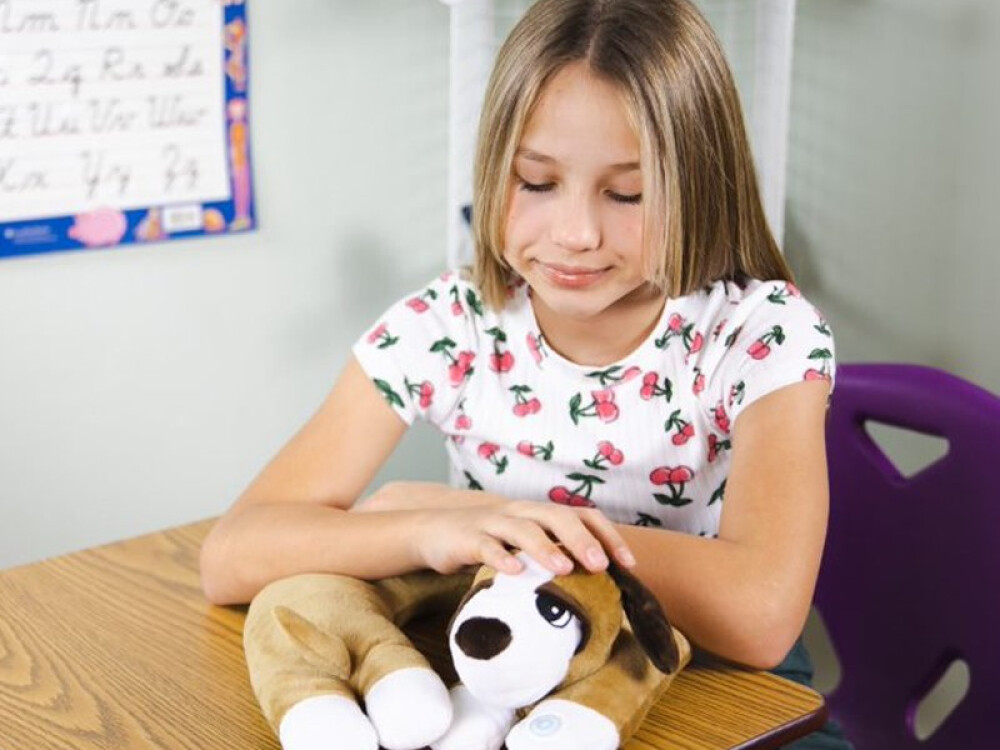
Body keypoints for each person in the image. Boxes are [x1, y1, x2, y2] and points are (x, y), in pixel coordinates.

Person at [201, 1, 850, 747]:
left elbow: (760, 616)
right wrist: (440, 527)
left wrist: (507, 528)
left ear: (698, 181)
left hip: (709, 685)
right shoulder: (450, 324)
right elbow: (233, 556)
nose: (575, 233)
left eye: (627, 194)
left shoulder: (761, 332)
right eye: (536, 182)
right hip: (518, 681)